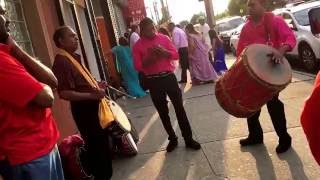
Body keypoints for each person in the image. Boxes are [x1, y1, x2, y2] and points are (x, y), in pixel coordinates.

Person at [0, 14, 63, 179]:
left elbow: (52, 80)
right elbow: (45, 98)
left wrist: (17, 50)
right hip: (29, 154)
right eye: (1, 12)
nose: (8, 20)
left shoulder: (8, 53)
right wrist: (41, 86)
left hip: (43, 146)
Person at [52, 26, 113, 180]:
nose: (76, 38)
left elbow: (81, 84)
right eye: (71, 36)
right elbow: (64, 93)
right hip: (85, 111)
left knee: (104, 147)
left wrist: (97, 86)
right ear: (61, 41)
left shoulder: (73, 58)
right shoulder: (62, 61)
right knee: (97, 150)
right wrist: (92, 96)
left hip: (94, 107)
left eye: (76, 36)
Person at [236, 0, 296, 153]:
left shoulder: (275, 21)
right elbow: (240, 51)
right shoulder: (246, 28)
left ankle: (284, 138)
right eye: (248, 4)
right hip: (252, 74)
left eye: (253, 4)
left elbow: (290, 39)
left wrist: (280, 51)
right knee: (251, 105)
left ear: (263, 6)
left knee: (273, 104)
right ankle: (255, 136)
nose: (249, 7)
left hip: (271, 72)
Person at [133, 18, 201, 152]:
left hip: (168, 77)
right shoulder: (138, 45)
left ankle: (188, 139)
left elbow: (176, 55)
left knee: (179, 108)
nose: (152, 31)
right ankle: (172, 138)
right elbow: (138, 66)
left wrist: (165, 53)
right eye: (148, 30)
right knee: (163, 112)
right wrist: (150, 58)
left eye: (153, 28)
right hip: (153, 80)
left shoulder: (163, 38)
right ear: (142, 31)